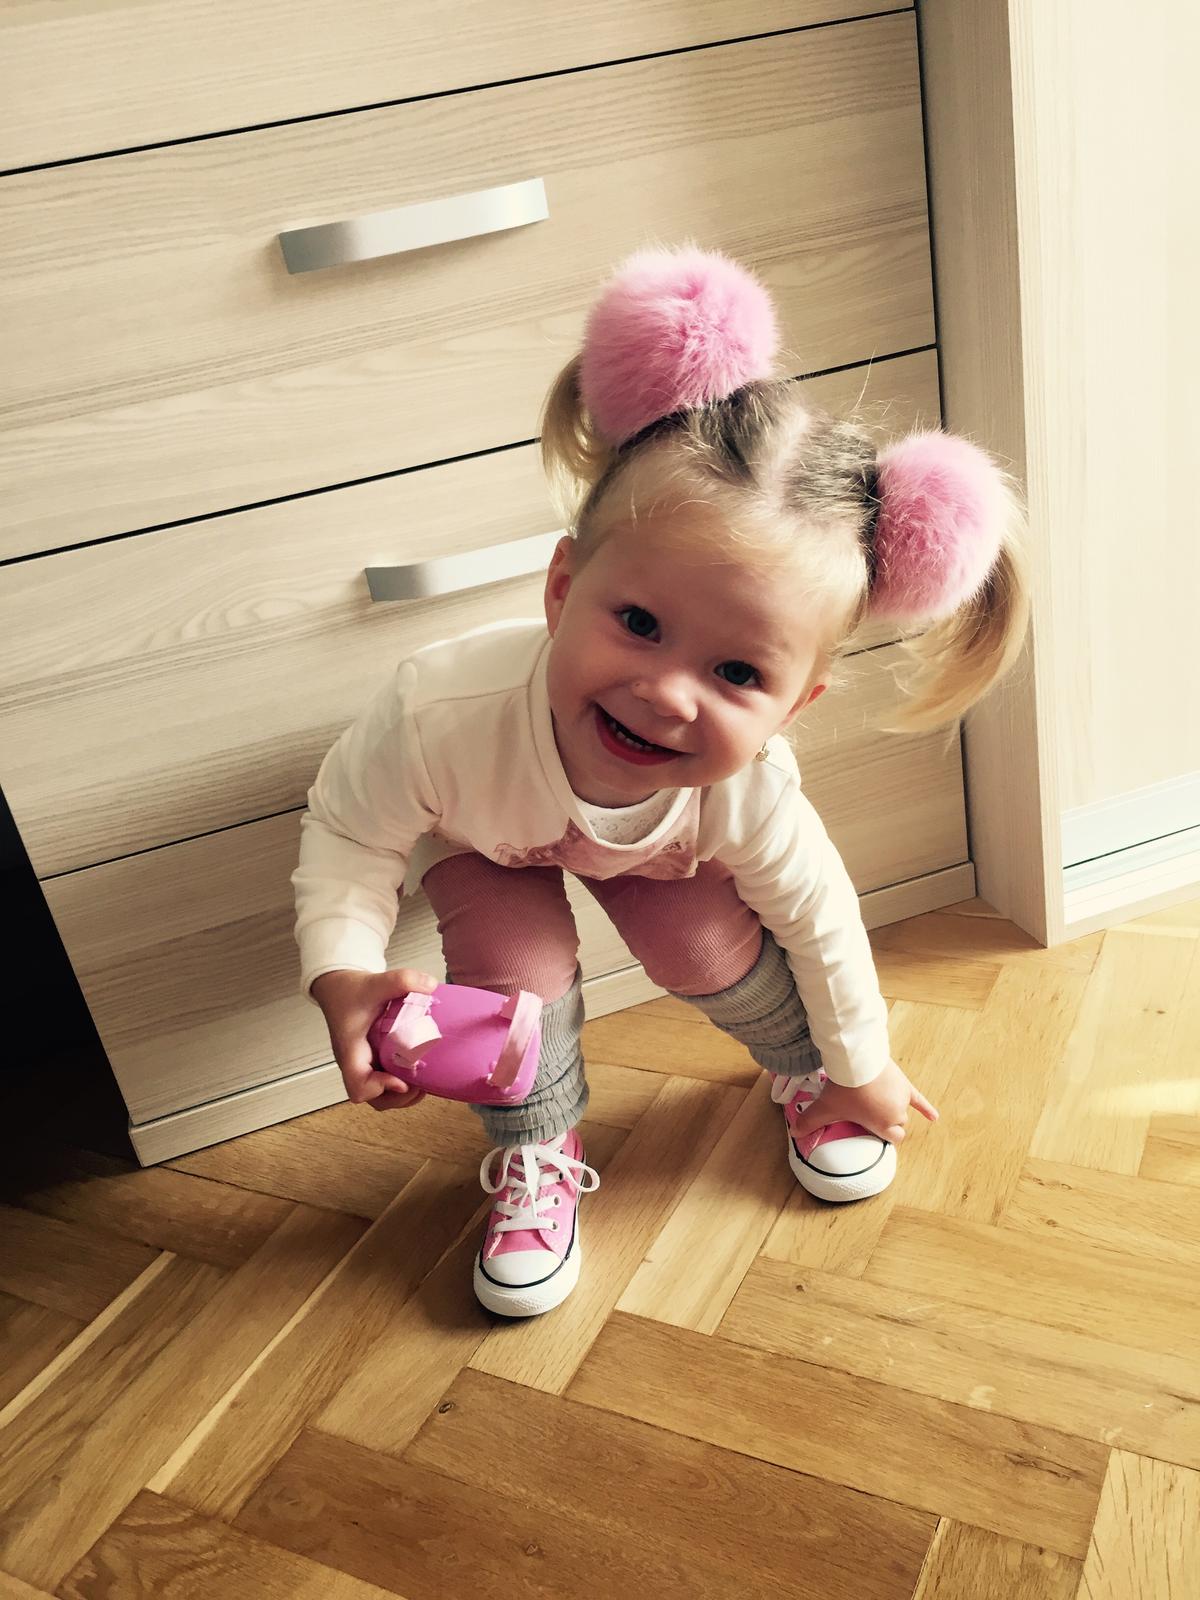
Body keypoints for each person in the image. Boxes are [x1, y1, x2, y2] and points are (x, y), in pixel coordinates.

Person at [293, 247, 1029, 1319]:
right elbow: (350, 834)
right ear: (561, 588)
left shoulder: (746, 789)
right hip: (492, 838)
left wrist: (859, 1063)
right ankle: (537, 1150)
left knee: (704, 946)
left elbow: (821, 921)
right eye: (638, 622)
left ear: (794, 707)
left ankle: (802, 1073)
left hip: (663, 850)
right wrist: (345, 972)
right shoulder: (439, 715)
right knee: (515, 980)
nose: (666, 696)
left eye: (738, 674)